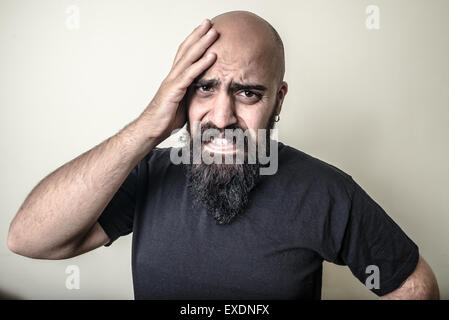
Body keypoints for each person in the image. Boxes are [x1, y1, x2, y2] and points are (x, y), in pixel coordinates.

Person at [7, 11, 439, 300]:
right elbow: (28, 239)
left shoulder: (324, 191)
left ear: (278, 100)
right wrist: (148, 126)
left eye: (247, 92)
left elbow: (415, 285)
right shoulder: (149, 175)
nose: (222, 116)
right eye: (205, 87)